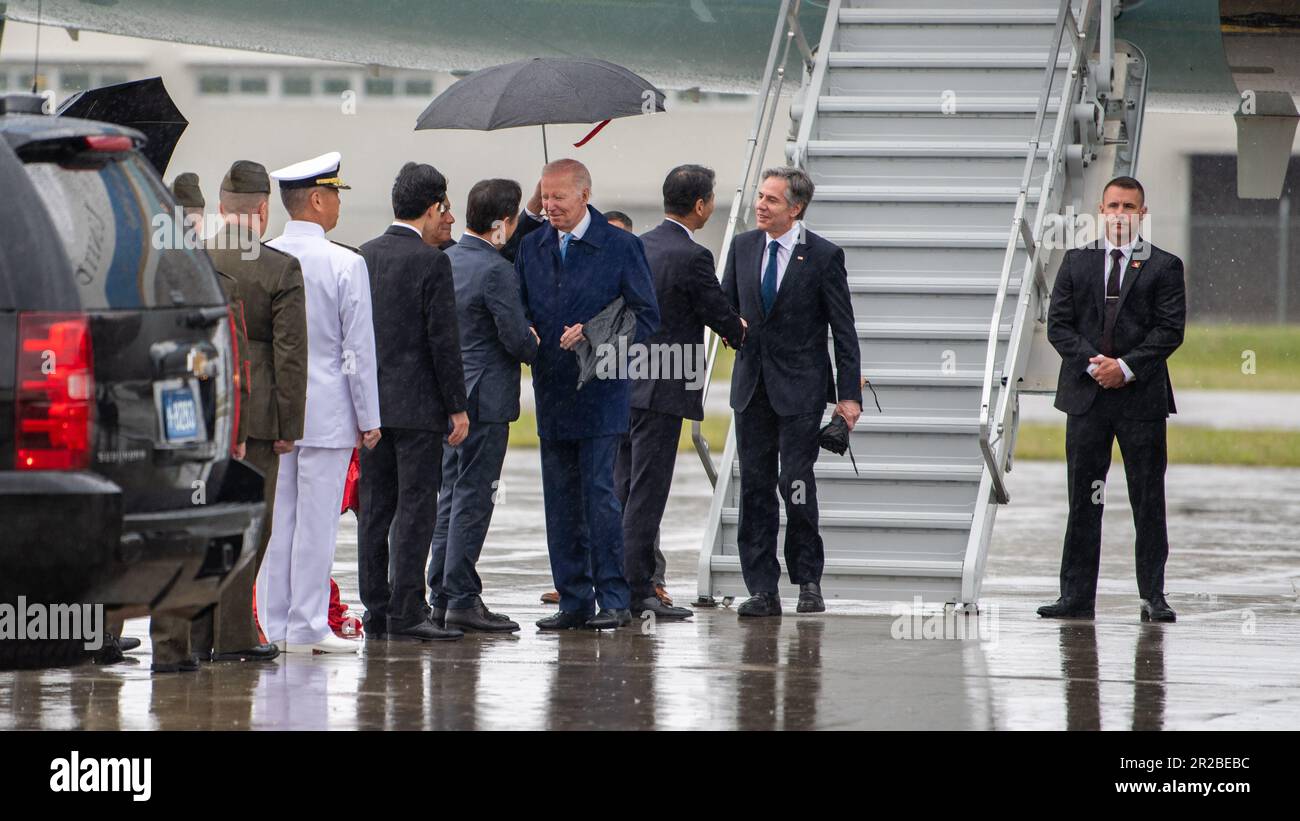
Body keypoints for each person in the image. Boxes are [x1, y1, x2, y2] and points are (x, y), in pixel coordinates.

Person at [515, 158, 660, 630]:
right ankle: (573, 600)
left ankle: (614, 598)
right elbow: (519, 308)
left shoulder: (620, 246)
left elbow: (646, 317)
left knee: (600, 497)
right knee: (559, 500)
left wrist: (596, 336)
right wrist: (527, 331)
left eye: (559, 197)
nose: (550, 206)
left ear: (585, 195)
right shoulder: (532, 246)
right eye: (545, 197)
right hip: (552, 389)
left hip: (601, 393)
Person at [1039, 176, 1186, 623]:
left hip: (1140, 401)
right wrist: (1094, 364)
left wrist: (1124, 368)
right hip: (1087, 400)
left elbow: (1169, 330)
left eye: (1130, 207)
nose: (1120, 214)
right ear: (1102, 210)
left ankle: (1153, 597)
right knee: (1085, 499)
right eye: (1114, 205)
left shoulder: (1164, 266)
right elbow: (1058, 325)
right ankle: (1076, 598)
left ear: (1142, 213)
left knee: (1147, 499)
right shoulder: (1077, 262)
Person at [721, 166, 861, 617]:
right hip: (751, 390)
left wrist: (849, 396)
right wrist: (726, 328)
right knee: (755, 489)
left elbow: (844, 330)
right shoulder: (742, 246)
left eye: (771, 200)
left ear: (795, 208)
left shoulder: (822, 255)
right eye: (760, 197)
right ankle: (762, 588)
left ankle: (808, 580)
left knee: (795, 483)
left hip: (800, 391)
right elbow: (726, 306)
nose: (760, 205)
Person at [258, 151, 382, 654]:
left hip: (276, 413)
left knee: (278, 521)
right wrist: (369, 416)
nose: (337, 205)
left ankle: (273, 622)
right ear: (316, 199)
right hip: (329, 413)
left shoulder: (263, 256)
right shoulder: (346, 263)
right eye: (334, 194)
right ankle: (307, 624)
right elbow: (358, 350)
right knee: (316, 525)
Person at [191, 160, 310, 664]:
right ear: (263, 210)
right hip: (258, 417)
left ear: (222, 208)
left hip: (200, 412)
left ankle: (195, 636)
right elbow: (290, 355)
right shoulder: (279, 268)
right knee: (250, 525)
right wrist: (289, 425)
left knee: (201, 525)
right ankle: (236, 634)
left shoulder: (192, 258)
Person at [615, 165, 745, 621]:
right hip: (665, 388)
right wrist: (738, 329)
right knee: (648, 495)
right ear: (700, 205)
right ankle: (638, 591)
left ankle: (614, 584)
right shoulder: (692, 256)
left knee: (622, 488)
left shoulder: (635, 247)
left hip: (623, 383)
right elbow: (716, 311)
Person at [357, 162, 468, 643]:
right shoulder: (431, 261)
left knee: (375, 509)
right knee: (416, 509)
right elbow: (442, 341)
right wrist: (457, 406)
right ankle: (407, 608)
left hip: (371, 408)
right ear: (433, 207)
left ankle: (375, 609)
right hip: (419, 409)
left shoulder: (364, 256)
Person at [429, 178, 539, 632]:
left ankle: (440, 592)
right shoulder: (496, 271)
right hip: (485, 401)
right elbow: (516, 340)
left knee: (450, 497)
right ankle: (462, 596)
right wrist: (535, 342)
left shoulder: (448, 259)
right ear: (502, 223)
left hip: (451, 396)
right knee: (474, 499)